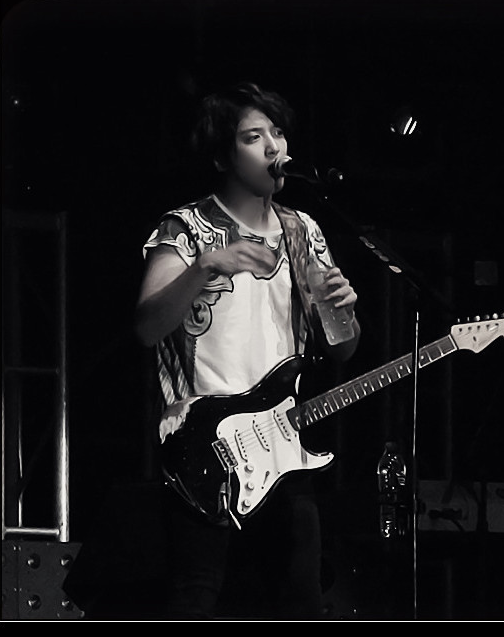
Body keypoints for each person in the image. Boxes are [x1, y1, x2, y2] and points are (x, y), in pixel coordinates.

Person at [133, 80, 361, 620]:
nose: (272, 146)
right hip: (203, 447)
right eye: (253, 136)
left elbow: (343, 349)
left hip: (283, 446)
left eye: (277, 132)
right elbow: (146, 327)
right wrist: (207, 265)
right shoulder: (187, 227)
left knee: (299, 603)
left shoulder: (303, 230)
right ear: (222, 156)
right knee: (197, 599)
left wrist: (343, 311)